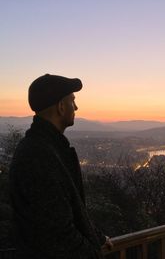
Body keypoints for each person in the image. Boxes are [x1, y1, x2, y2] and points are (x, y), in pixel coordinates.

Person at [9, 74, 113, 259]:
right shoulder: (39, 156)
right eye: (73, 101)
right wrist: (93, 254)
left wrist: (97, 238)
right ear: (61, 106)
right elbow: (58, 233)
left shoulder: (45, 148)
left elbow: (71, 212)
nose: (76, 107)